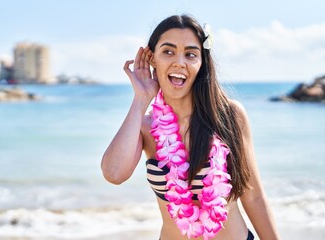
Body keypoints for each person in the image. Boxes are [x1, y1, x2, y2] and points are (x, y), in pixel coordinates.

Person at [101, 14, 280, 240]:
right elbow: (114, 174)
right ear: (152, 58)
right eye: (168, 51)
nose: (179, 62)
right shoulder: (145, 126)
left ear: (201, 62)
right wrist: (141, 99)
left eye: (190, 54)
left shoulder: (231, 116)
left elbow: (254, 197)